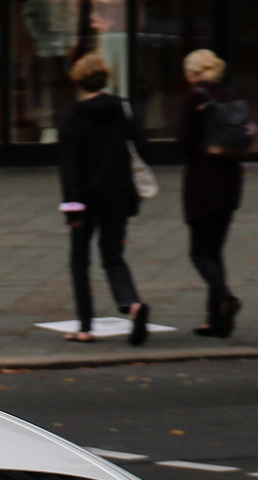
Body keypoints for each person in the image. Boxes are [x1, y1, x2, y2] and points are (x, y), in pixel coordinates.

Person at [55, 53, 148, 344]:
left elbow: (69, 168)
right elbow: (139, 145)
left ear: (79, 81)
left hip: (85, 199)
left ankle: (85, 327)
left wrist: (72, 209)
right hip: (118, 193)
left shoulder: (73, 118)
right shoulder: (122, 108)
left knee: (80, 262)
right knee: (113, 256)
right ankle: (132, 305)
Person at [178, 48, 248, 338]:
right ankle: (216, 321)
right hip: (231, 179)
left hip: (204, 181)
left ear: (192, 74)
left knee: (199, 253)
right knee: (215, 251)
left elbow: (185, 143)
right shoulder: (231, 95)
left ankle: (226, 299)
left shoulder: (194, 97)